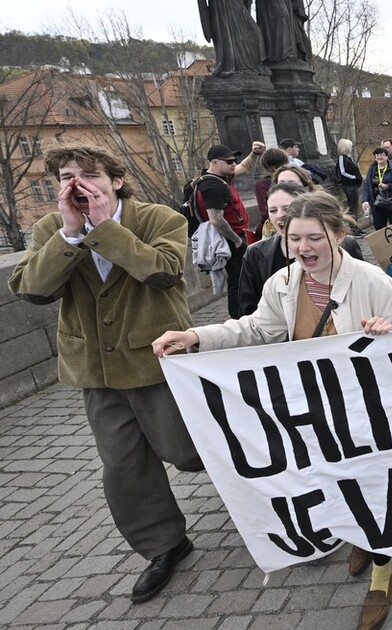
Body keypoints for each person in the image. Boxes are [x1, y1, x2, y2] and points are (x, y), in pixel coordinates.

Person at [152, 190, 392, 630]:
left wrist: (388, 331)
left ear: (339, 235)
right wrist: (196, 336)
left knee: (372, 486)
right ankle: (357, 536)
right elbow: (256, 328)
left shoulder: (372, 281)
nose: (303, 248)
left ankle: (382, 573)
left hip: (363, 410)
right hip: (310, 407)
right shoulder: (282, 284)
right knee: (332, 481)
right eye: (294, 238)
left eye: (314, 237)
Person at [9, 144, 205, 605]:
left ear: (115, 180)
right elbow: (30, 290)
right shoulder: (51, 229)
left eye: (87, 176)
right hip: (95, 370)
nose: (76, 186)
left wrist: (105, 230)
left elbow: (165, 272)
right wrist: (72, 235)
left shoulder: (158, 218)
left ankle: (266, 489)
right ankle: (164, 545)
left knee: (188, 450)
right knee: (124, 466)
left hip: (157, 362)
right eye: (64, 178)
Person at [239, 180, 364, 315]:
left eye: (287, 208)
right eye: (273, 210)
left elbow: (362, 293)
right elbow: (251, 315)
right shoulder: (257, 256)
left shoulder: (350, 249)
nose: (280, 215)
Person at [197, 144, 256, 318]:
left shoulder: (218, 178)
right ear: (214, 162)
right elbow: (216, 219)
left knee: (241, 278)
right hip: (231, 240)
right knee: (237, 280)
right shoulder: (213, 186)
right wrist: (237, 241)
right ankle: (238, 317)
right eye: (229, 161)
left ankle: (243, 314)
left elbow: (244, 167)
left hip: (234, 236)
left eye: (234, 160)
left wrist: (255, 153)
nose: (233, 164)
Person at [253, 147, 289, 238]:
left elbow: (265, 212)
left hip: (276, 228)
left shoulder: (262, 186)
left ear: (265, 165)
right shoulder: (294, 178)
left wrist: (258, 230)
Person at [361, 147, 392, 229]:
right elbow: (367, 185)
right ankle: (382, 242)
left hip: (391, 202)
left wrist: (388, 186)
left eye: (382, 155)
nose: (379, 157)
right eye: (377, 155)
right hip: (377, 203)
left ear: (387, 157)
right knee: (378, 226)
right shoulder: (372, 168)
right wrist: (365, 200)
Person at [336, 138, 363, 218]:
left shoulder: (348, 158)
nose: (351, 148)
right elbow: (342, 172)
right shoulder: (342, 158)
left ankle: (355, 227)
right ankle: (354, 228)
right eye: (350, 146)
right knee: (352, 207)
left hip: (353, 185)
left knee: (354, 207)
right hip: (349, 185)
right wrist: (354, 177)